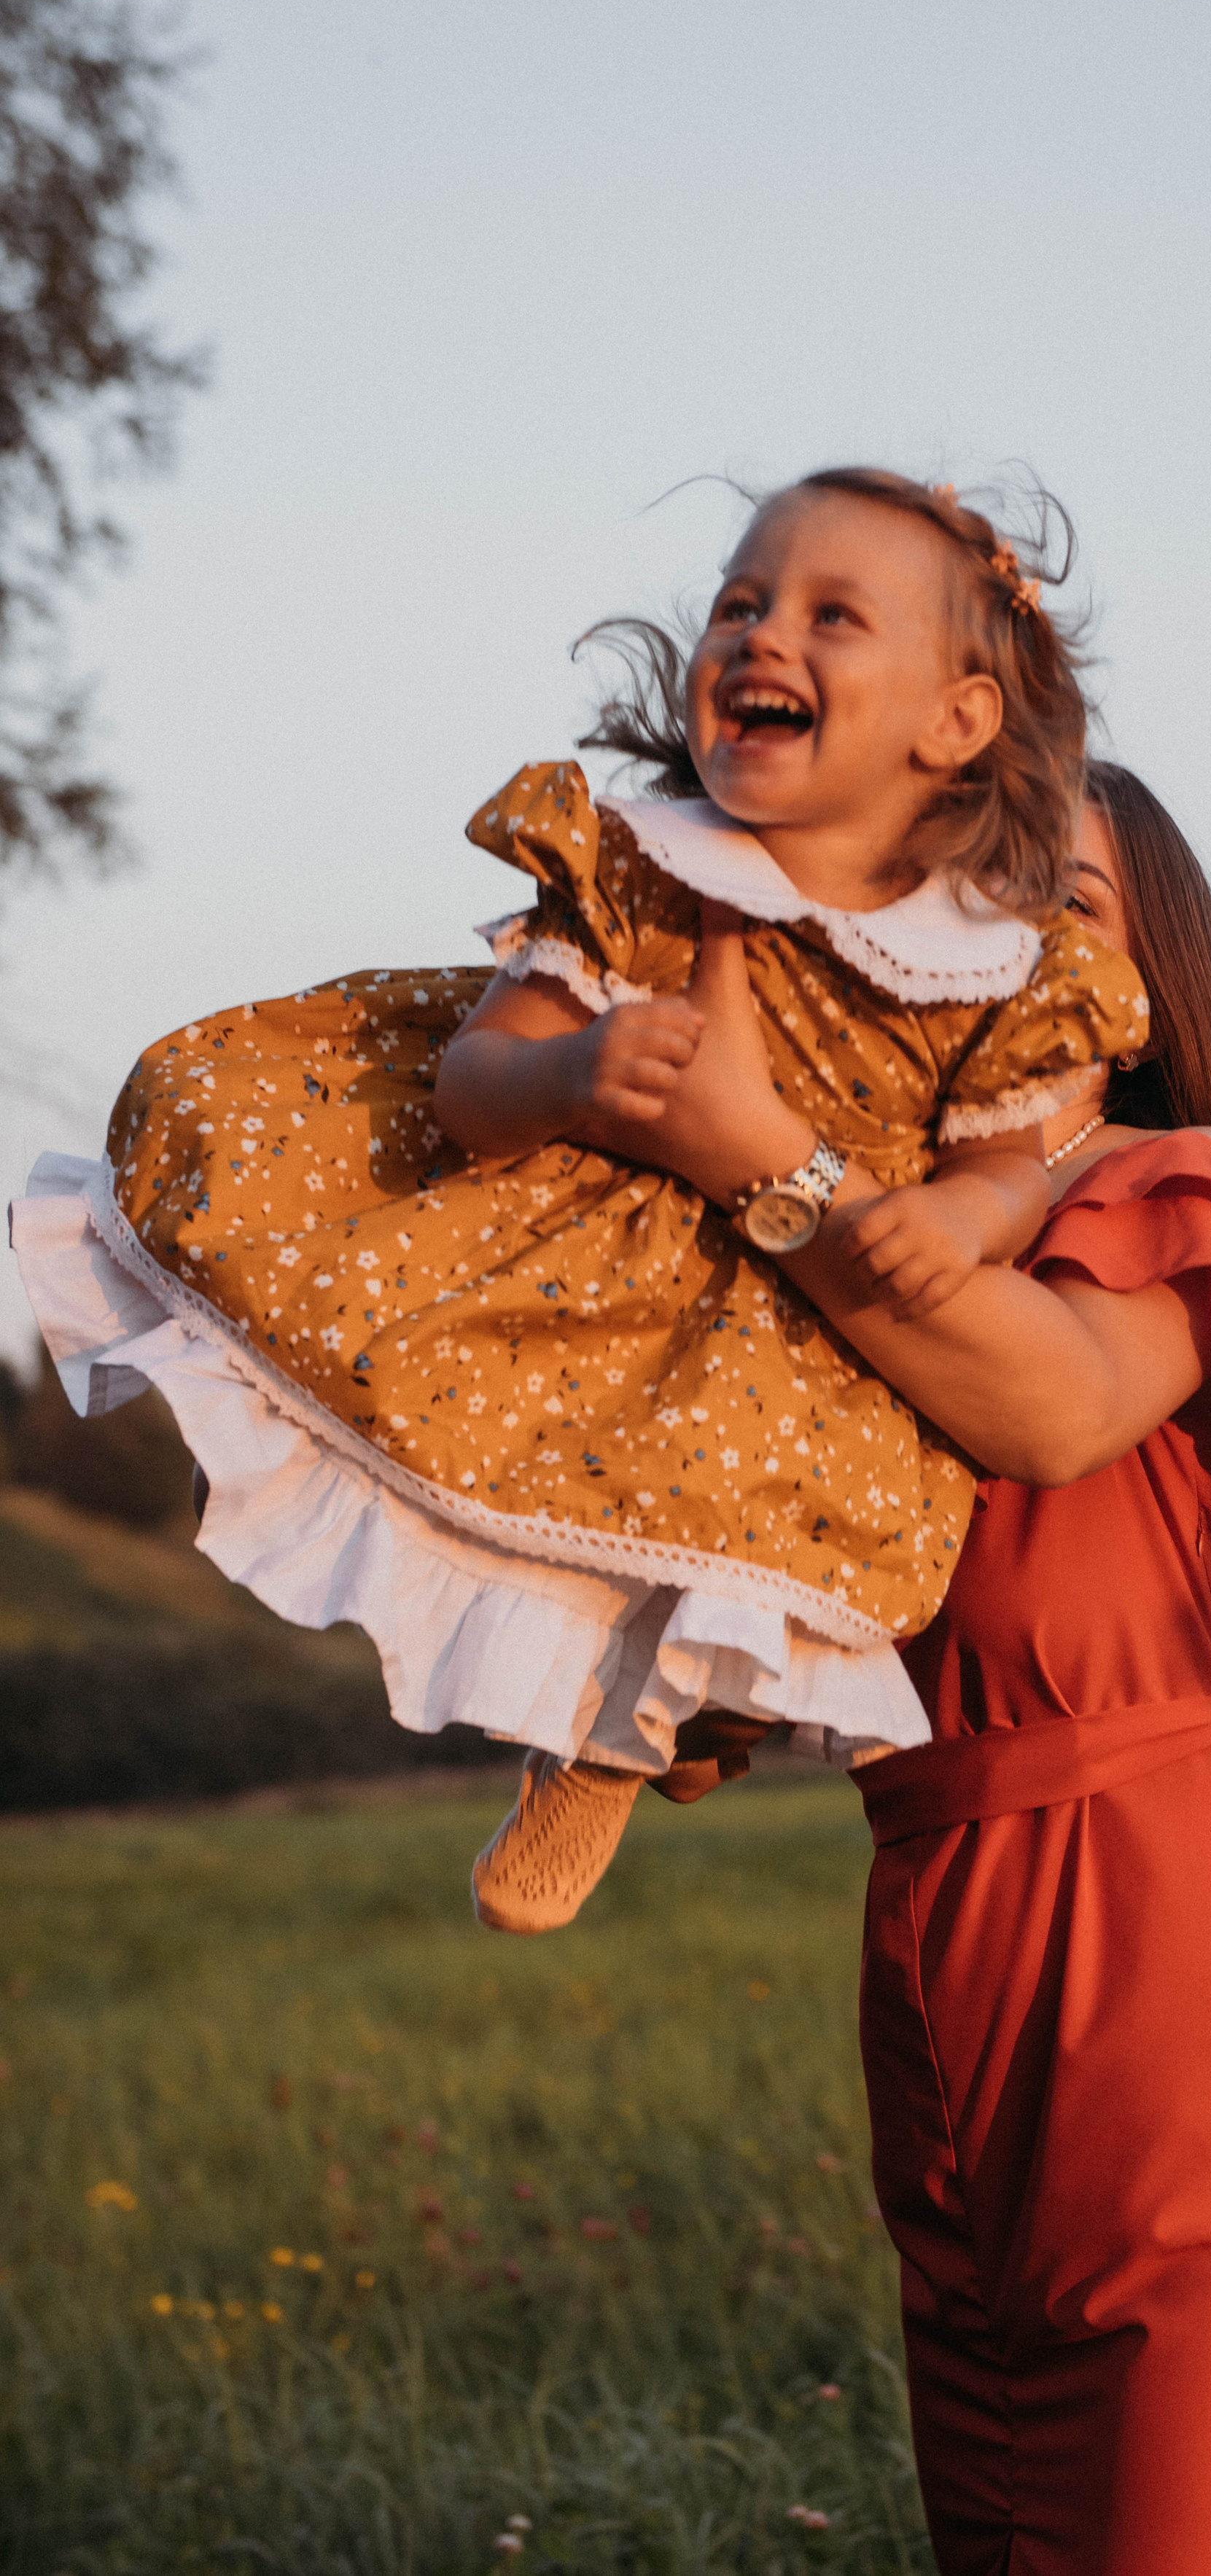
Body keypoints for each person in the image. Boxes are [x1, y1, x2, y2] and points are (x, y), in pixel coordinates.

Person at [8, 471, 1148, 1931]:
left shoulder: (986, 956)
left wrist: (962, 1223)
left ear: (954, 722)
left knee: (737, 1517)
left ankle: (600, 1754)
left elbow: (1006, 1158)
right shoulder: (642, 871)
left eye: (829, 615)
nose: (758, 634)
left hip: (792, 1288)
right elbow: (474, 1082)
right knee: (398, 1345)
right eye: (739, 602)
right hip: (585, 1236)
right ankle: (327, 1507)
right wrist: (578, 1075)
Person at [612, 757, 1211, 2576]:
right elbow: (858, 1604)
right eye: (943, 909)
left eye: (1057, 905)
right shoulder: (866, 1271)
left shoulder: (1200, 1189)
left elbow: (1054, 1409)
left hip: (1188, 1948)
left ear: (1155, 979)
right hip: (943, 1960)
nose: (998, 949)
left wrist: (762, 1148)